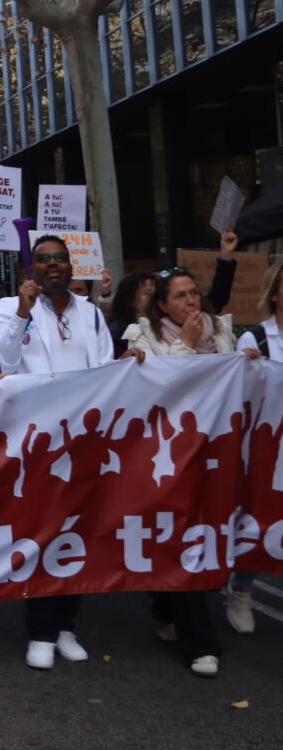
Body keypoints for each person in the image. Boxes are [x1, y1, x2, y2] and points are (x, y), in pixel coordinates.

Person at [121, 266, 260, 678]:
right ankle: (201, 643)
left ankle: (166, 604)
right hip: (167, 456)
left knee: (200, 538)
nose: (191, 302)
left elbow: (236, 390)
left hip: (215, 453)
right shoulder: (144, 337)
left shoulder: (221, 332)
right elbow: (168, 390)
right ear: (162, 304)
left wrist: (248, 365)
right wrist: (183, 345)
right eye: (180, 296)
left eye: (194, 294)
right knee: (180, 538)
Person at [0, 234, 114, 670]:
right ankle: (40, 630)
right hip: (37, 444)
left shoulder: (91, 315)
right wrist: (23, 312)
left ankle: (66, 627)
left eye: (60, 259)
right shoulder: (12, 308)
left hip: (81, 441)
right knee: (41, 533)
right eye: (43, 260)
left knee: (76, 533)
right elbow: (3, 361)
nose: (53, 266)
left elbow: (105, 374)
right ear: (33, 268)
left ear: (70, 264)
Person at [226, 261, 283, 633]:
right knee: (261, 517)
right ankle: (242, 589)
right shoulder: (256, 341)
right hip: (268, 446)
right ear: (275, 293)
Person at [106, 271, 156, 358]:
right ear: (130, 298)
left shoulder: (162, 326)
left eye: (156, 294)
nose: (153, 298)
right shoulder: (116, 332)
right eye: (147, 293)